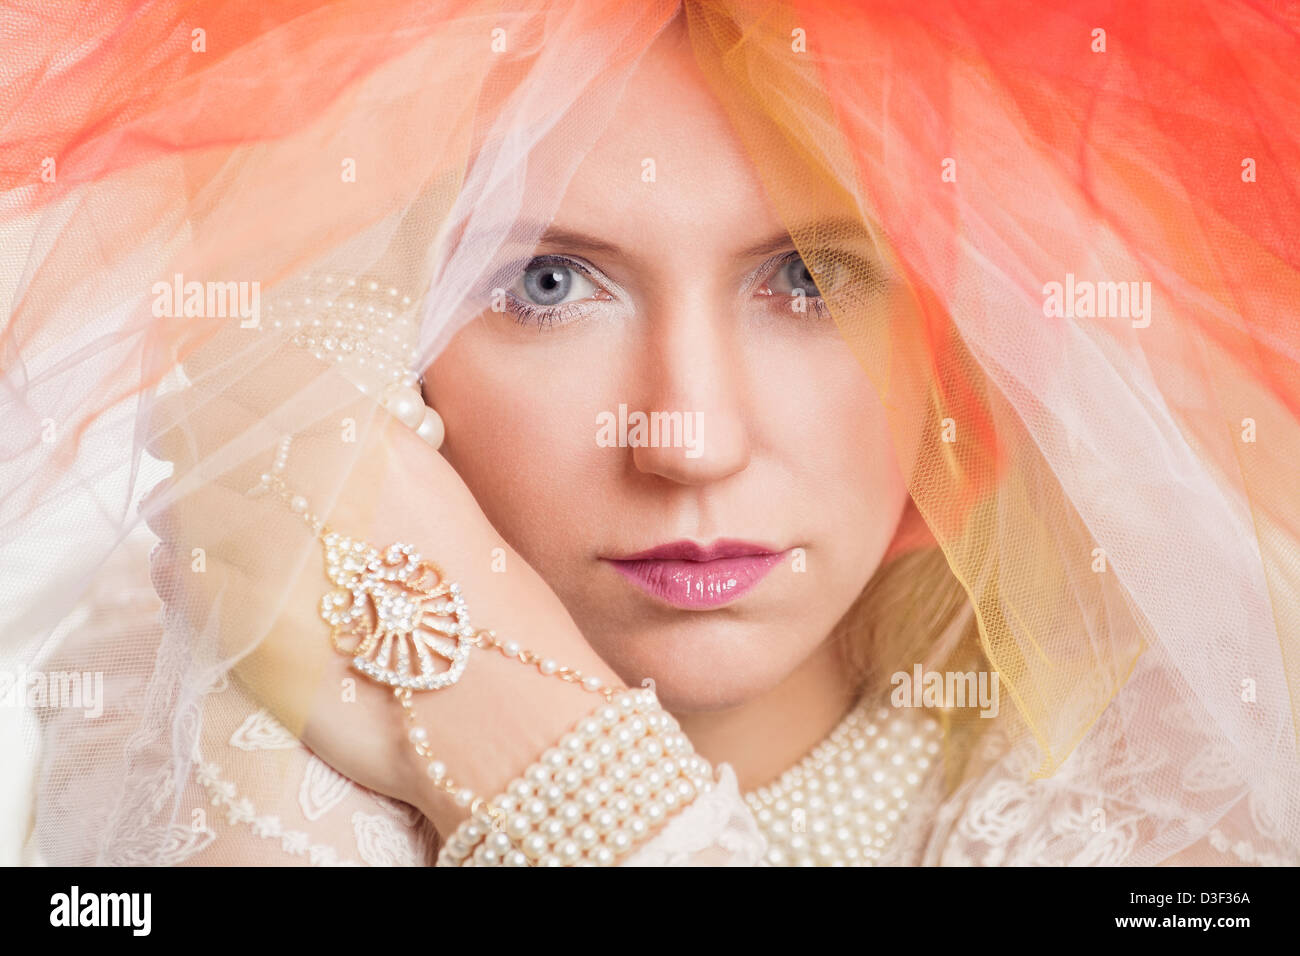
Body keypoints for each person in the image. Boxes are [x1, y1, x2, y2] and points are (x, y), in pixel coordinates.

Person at [5, 0, 1299, 867]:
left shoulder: (1187, 777)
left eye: (806, 277)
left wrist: (524, 742)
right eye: (549, 285)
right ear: (392, 319)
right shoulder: (153, 692)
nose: (685, 437)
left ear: (955, 342)